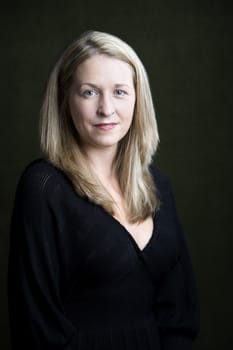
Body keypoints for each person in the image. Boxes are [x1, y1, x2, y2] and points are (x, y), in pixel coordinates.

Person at [8, 30, 199, 349]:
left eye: (120, 92)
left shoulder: (157, 184)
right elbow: (36, 327)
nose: (106, 109)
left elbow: (178, 311)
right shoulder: (43, 188)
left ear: (139, 99)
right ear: (64, 99)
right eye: (89, 92)